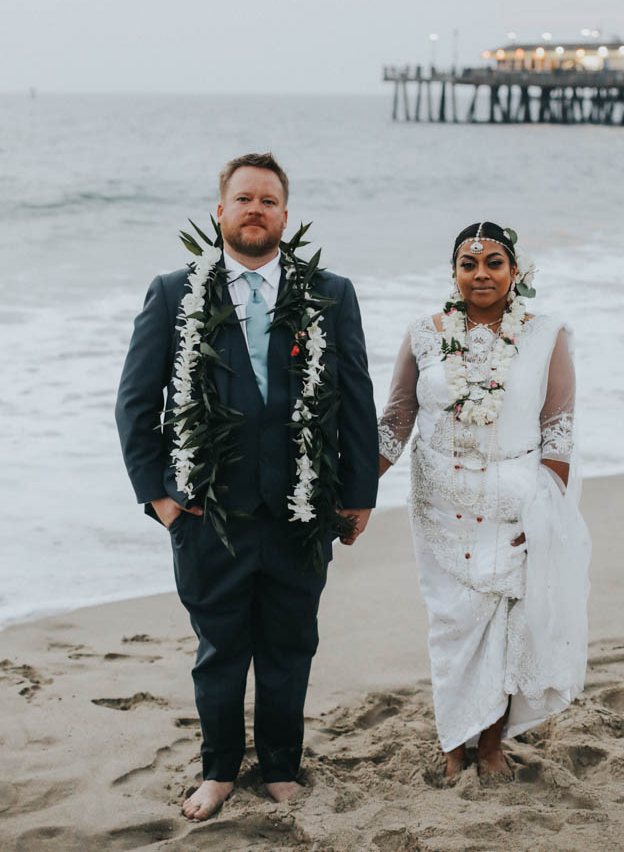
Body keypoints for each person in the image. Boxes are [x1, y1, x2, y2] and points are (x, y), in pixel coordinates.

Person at [116, 153, 378, 820]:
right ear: (221, 211)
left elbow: (354, 398)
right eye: (244, 198)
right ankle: (220, 771)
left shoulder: (331, 293)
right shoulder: (175, 291)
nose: (255, 209)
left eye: (268, 200)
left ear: (285, 216)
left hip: (302, 507)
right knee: (220, 648)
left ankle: (283, 768)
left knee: (291, 642)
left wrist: (357, 493)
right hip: (207, 512)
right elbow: (137, 403)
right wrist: (162, 500)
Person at [378, 221, 590, 780]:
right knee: (450, 625)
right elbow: (397, 419)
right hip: (438, 506)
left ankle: (491, 744)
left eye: (493, 262)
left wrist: (548, 515)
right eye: (468, 264)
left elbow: (559, 430)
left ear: (515, 272)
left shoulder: (547, 335)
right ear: (453, 273)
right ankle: (453, 744)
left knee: (504, 624)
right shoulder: (424, 333)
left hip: (514, 505)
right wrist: (353, 486)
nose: (481, 274)